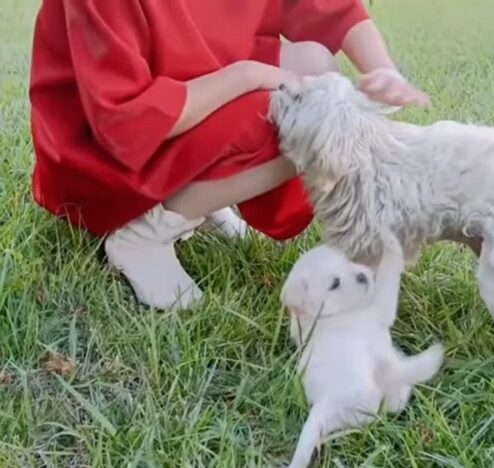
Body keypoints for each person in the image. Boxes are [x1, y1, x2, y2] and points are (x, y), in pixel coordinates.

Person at [30, 1, 430, 310]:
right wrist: (248, 75)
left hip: (182, 86)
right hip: (101, 152)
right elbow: (124, 120)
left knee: (315, 69)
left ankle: (196, 200)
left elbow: (329, 8)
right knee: (300, 119)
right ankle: (143, 233)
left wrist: (383, 72)